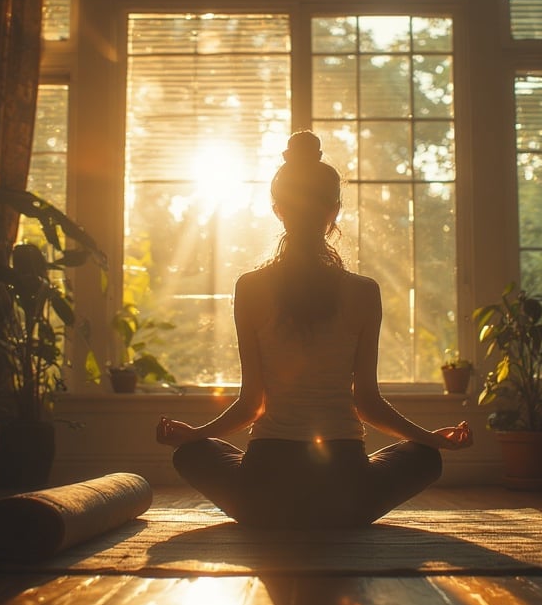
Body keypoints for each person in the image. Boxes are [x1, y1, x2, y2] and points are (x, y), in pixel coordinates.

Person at [156, 130, 473, 528]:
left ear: (277, 209)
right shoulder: (364, 292)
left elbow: (252, 403)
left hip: (262, 491)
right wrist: (433, 439)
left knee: (190, 453)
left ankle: (279, 512)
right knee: (425, 457)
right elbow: (368, 403)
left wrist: (193, 435)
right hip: (346, 494)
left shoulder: (250, 287)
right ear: (335, 210)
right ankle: (326, 512)